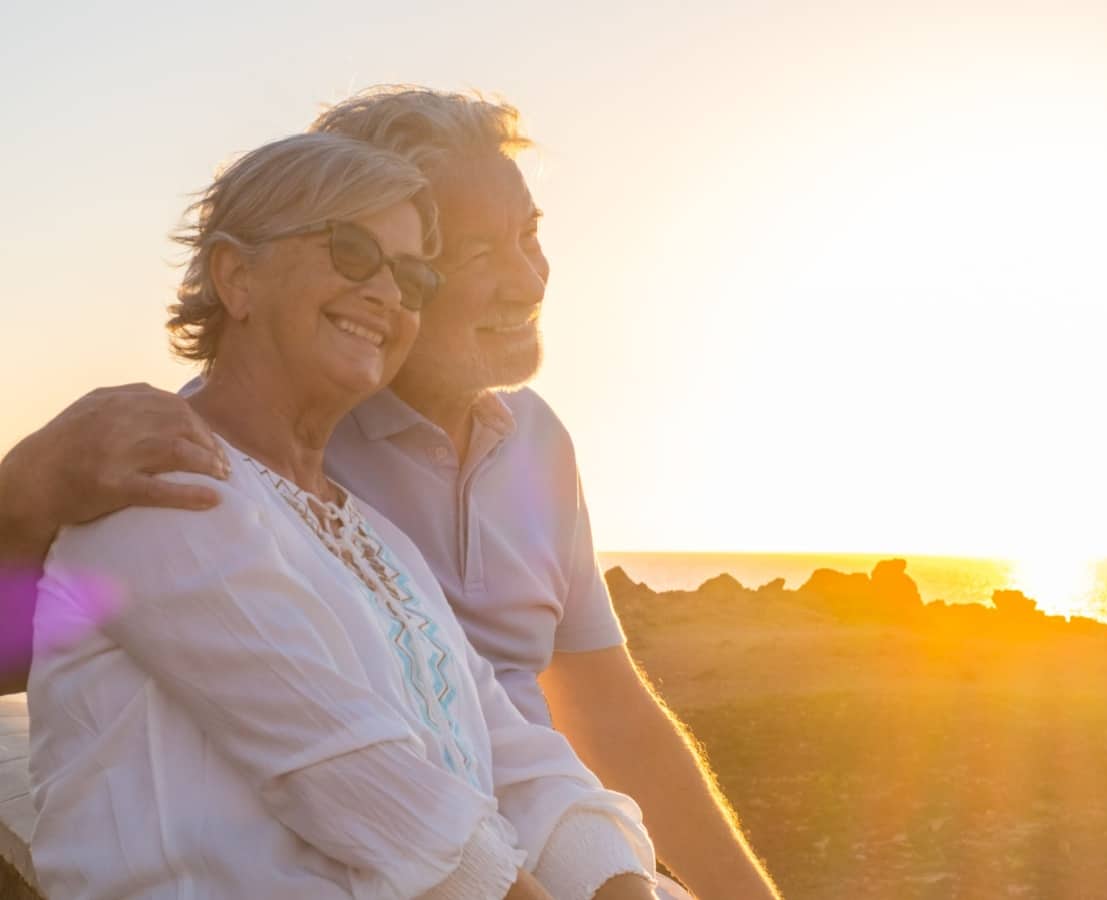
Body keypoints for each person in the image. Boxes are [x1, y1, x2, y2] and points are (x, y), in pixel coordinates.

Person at [0, 87, 781, 900]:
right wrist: (19, 497)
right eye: (351, 251)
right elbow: (359, 779)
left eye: (411, 271)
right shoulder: (177, 470)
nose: (529, 280)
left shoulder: (395, 514)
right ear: (237, 276)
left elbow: (546, 738)